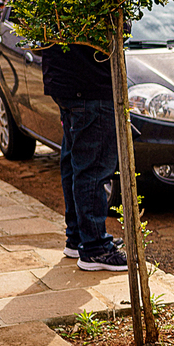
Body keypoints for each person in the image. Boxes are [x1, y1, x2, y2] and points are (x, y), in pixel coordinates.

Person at [41, 42, 128, 271]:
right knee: (92, 169)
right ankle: (95, 248)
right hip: (89, 83)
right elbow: (115, 32)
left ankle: (79, 237)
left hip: (66, 81)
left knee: (75, 163)